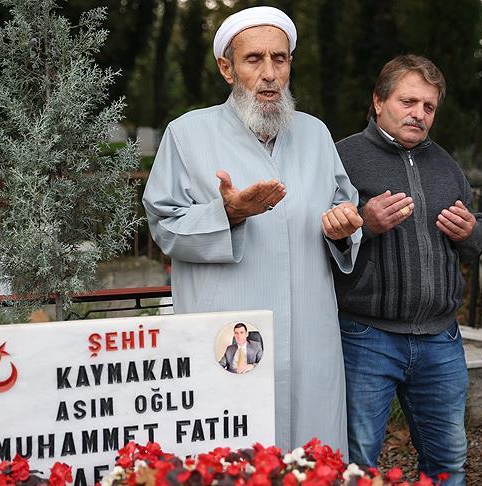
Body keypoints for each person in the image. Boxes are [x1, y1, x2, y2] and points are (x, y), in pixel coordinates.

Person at [142, 6, 363, 452]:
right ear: (227, 68)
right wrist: (228, 214)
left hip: (309, 337)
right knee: (232, 457)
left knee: (313, 458)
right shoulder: (186, 134)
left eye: (279, 59)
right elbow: (164, 227)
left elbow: (345, 208)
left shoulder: (316, 134)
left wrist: (343, 229)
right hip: (229, 335)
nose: (268, 74)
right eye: (253, 60)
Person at [333, 55, 482, 485]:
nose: (419, 114)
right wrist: (365, 222)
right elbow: (320, 243)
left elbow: (472, 248)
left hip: (441, 339)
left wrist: (470, 233)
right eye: (408, 101)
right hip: (367, 337)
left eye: (429, 107)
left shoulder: (446, 165)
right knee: (358, 463)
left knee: (448, 462)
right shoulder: (342, 157)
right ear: (378, 101)